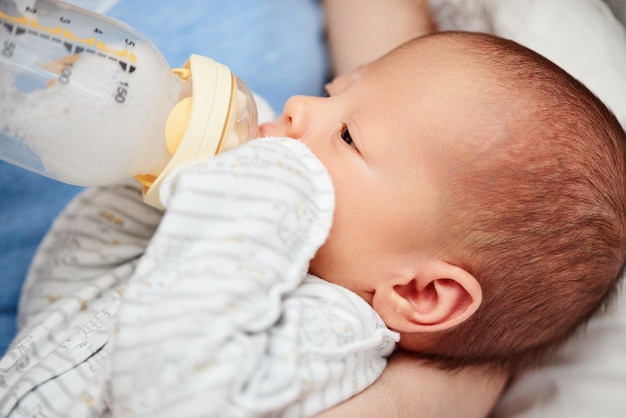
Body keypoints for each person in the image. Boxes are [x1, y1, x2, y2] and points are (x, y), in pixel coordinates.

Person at [2, 30, 625, 416]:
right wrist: (155, 173)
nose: (303, 108)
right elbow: (61, 296)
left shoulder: (330, 332)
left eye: (349, 134)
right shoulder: (255, 256)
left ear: (419, 293)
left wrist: (260, 188)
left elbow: (165, 397)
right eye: (335, 90)